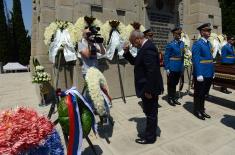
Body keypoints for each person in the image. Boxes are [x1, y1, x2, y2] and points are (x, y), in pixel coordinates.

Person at [123, 30, 164, 144]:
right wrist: (127, 52)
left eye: (133, 42)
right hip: (147, 86)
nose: (133, 45)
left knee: (151, 113)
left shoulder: (148, 48)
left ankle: (150, 138)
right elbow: (137, 62)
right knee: (150, 112)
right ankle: (150, 132)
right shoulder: (145, 47)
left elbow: (152, 71)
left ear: (138, 39)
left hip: (149, 87)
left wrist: (148, 90)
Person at [192, 23, 214, 120]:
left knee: (204, 93)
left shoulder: (208, 43)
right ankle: (197, 110)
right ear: (201, 32)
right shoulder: (197, 44)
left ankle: (202, 109)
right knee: (199, 93)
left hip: (208, 72)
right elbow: (196, 59)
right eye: (207, 30)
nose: (209, 32)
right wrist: (199, 73)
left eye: (209, 30)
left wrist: (213, 71)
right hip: (201, 73)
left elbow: (210, 59)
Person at [164, 27, 184, 106]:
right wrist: (167, 68)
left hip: (179, 67)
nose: (179, 35)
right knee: (171, 83)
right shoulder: (170, 44)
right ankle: (170, 98)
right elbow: (166, 57)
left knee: (175, 83)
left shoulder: (182, 43)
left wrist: (182, 66)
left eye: (180, 33)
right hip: (172, 66)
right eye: (177, 33)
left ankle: (174, 97)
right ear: (174, 34)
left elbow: (182, 56)